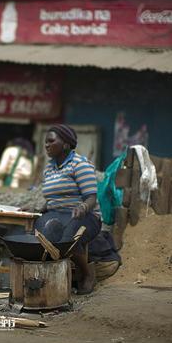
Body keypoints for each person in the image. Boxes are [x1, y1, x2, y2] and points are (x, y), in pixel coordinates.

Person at [34, 124, 101, 294]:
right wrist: (36, 208)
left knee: (68, 238)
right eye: (45, 142)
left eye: (51, 141)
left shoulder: (80, 164)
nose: (46, 145)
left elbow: (92, 197)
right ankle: (51, 279)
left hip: (84, 216)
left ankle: (86, 274)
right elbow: (52, 199)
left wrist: (83, 207)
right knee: (38, 236)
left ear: (65, 144)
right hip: (56, 214)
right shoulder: (49, 168)